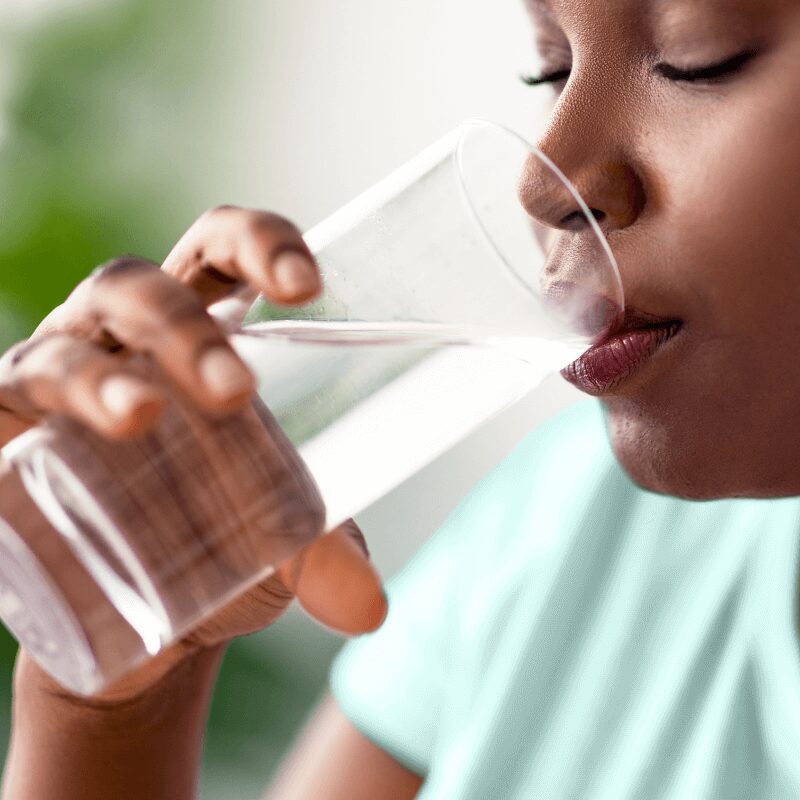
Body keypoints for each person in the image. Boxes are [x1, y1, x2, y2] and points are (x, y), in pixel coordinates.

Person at [2, 0, 800, 796]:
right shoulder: (563, 533)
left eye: (698, 58)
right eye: (551, 67)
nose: (545, 178)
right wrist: (111, 714)